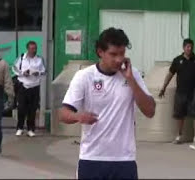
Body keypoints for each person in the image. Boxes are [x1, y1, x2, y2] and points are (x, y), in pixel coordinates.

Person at [59, 27, 156, 179]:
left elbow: (150, 111)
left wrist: (130, 79)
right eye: (113, 54)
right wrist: (78, 116)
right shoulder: (84, 77)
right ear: (100, 52)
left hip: (124, 160)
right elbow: (63, 114)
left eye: (122, 54)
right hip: (92, 159)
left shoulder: (133, 74)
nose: (118, 59)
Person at [158, 39, 195, 144]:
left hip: (194, 92)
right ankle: (179, 136)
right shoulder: (177, 60)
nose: (190, 49)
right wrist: (163, 88)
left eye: (191, 47)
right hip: (181, 92)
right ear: (183, 48)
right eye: (188, 47)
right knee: (180, 115)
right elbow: (170, 74)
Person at [12, 41, 46, 137]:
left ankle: (31, 129)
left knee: (33, 108)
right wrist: (23, 73)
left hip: (34, 86)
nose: (34, 50)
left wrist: (38, 73)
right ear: (28, 49)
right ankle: (20, 128)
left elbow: (44, 71)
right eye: (32, 48)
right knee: (21, 107)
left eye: (35, 48)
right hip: (23, 85)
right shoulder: (22, 58)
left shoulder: (39, 59)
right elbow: (14, 68)